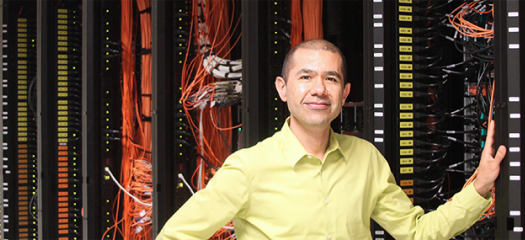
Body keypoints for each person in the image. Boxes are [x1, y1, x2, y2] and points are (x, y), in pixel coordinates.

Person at [156, 39, 507, 239]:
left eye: (331, 79)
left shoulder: (366, 160)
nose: (319, 90)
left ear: (344, 93)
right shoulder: (249, 168)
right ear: (283, 89)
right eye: (305, 77)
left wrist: (478, 189)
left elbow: (415, 232)